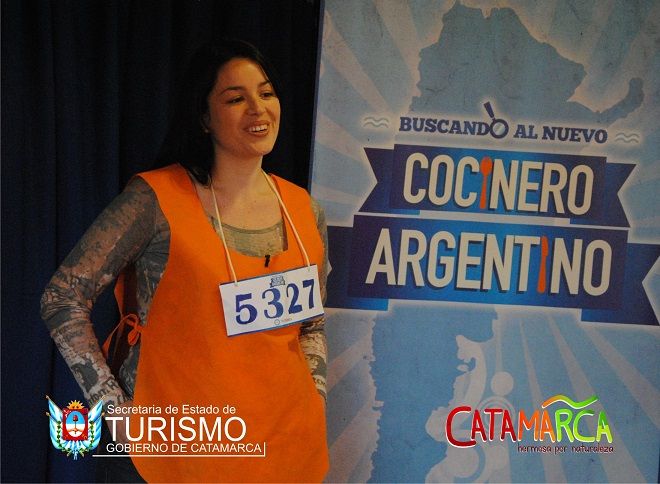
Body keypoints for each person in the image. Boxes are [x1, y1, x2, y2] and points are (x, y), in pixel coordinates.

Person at [40, 39, 329, 482]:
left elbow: (312, 326)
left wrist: (316, 397)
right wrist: (114, 411)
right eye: (235, 98)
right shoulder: (155, 199)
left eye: (267, 93)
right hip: (175, 455)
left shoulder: (304, 209)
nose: (258, 109)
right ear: (204, 117)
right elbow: (63, 297)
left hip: (285, 454)